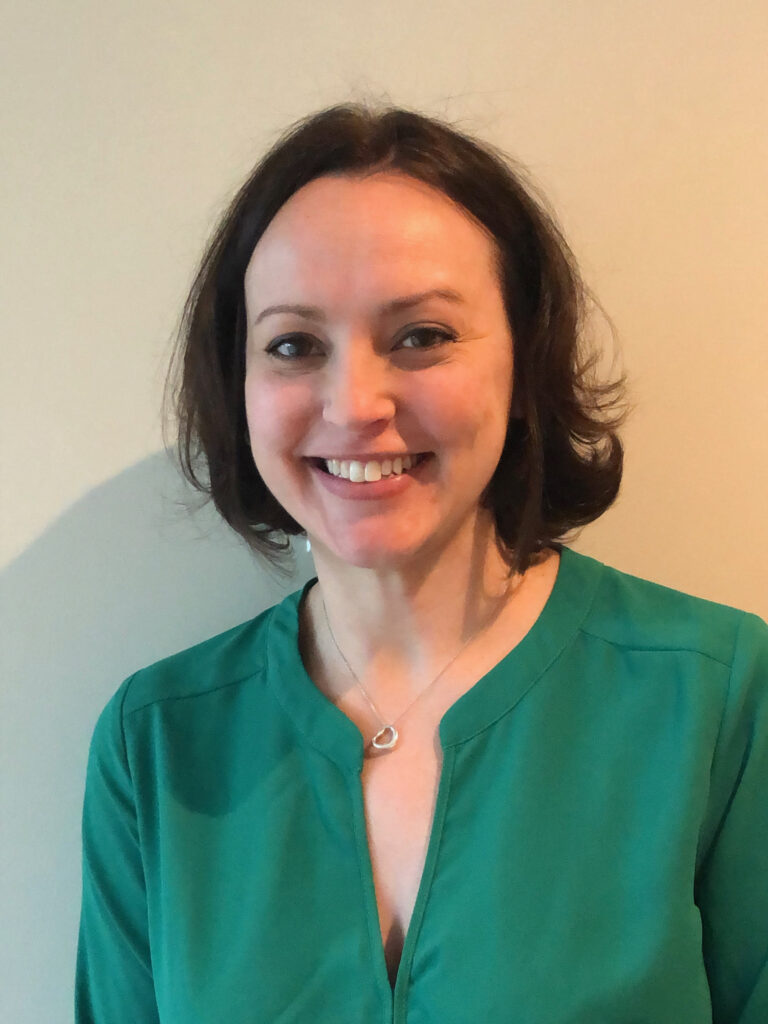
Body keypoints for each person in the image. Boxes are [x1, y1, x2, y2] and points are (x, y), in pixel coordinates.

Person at [75, 102, 768, 1023]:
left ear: (526, 362)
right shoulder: (156, 744)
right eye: (293, 345)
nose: (355, 403)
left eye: (422, 336)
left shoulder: (715, 700)